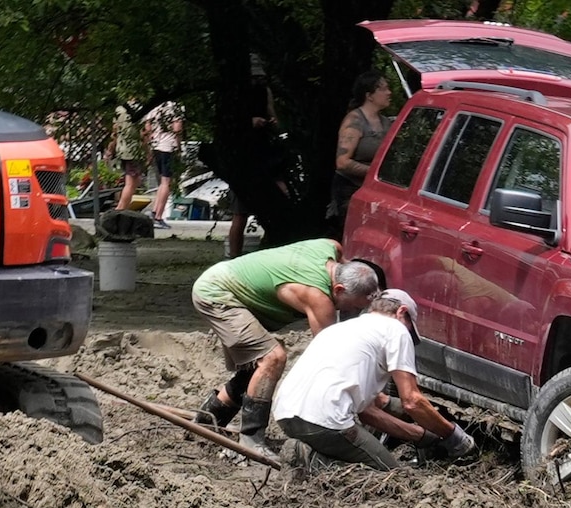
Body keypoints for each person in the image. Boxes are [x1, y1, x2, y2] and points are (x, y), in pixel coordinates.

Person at [190, 239, 382, 457]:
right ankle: (251, 439)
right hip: (217, 293)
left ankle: (207, 420)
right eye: (355, 307)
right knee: (272, 358)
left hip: (227, 280)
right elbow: (331, 354)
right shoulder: (318, 298)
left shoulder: (330, 247)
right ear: (338, 289)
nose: (354, 312)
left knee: (256, 368)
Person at [274, 289, 475, 470]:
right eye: (410, 328)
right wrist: (453, 435)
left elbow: (369, 413)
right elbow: (412, 401)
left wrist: (421, 436)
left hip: (286, 416)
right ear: (401, 312)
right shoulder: (396, 329)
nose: (409, 335)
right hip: (325, 421)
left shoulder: (342, 329)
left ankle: (308, 450)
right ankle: (311, 460)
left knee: (364, 453)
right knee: (390, 475)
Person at [228, 55, 290, 259]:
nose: (258, 81)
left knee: (279, 200)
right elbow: (230, 122)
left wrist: (271, 122)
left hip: (265, 153)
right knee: (240, 214)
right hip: (244, 156)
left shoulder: (265, 92)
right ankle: (234, 257)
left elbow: (275, 117)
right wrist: (250, 122)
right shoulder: (235, 92)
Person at [327, 71, 395, 237]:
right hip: (350, 192)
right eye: (384, 89)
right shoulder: (354, 121)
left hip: (375, 191)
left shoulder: (386, 123)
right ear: (369, 95)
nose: (389, 92)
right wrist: (375, 172)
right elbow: (342, 162)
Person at [145, 100, 183, 228]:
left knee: (162, 181)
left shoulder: (155, 106)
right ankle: (159, 216)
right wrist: (178, 146)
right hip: (168, 146)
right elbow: (177, 128)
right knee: (167, 182)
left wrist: (151, 143)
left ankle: (154, 210)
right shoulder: (175, 107)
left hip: (156, 146)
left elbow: (148, 127)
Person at [111, 101, 146, 212]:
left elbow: (115, 131)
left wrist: (112, 148)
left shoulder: (119, 109)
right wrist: (148, 151)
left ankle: (123, 208)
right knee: (130, 184)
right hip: (133, 150)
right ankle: (120, 209)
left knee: (133, 182)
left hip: (122, 148)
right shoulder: (140, 109)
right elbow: (143, 133)